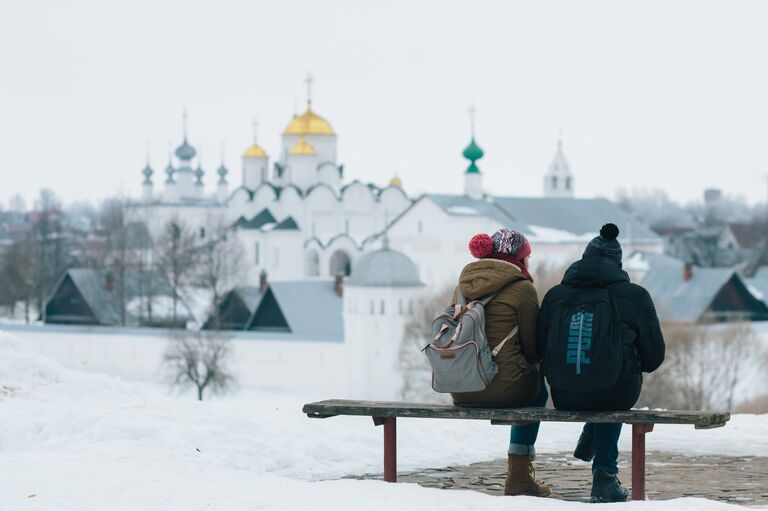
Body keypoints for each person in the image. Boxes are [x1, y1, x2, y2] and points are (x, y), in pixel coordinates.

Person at [536, 223, 665, 502]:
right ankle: (605, 476)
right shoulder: (635, 296)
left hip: (565, 393)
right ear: (618, 263)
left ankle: (593, 438)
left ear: (584, 258)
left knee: (603, 380)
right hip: (616, 393)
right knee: (611, 385)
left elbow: (536, 349)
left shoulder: (556, 296)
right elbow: (654, 358)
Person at [451, 228, 550, 497]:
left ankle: (519, 477)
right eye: (527, 257)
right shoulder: (522, 289)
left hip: (463, 386)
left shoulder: (462, 287)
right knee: (538, 391)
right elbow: (532, 350)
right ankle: (518, 477)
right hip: (508, 389)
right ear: (519, 259)